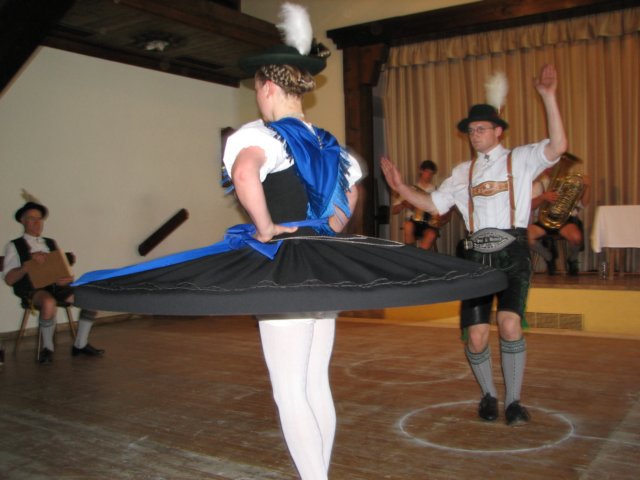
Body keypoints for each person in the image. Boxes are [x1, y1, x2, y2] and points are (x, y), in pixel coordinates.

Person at [70, 4, 505, 478]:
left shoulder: (261, 135)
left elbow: (244, 174)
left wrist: (264, 228)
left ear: (268, 87)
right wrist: (328, 227)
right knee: (315, 382)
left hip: (285, 267)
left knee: (289, 387)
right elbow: (350, 193)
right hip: (322, 259)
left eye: (257, 90)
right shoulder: (327, 142)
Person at [382, 64, 567, 425]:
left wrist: (548, 96)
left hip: (513, 252)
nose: (474, 134)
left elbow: (558, 146)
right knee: (477, 338)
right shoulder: (461, 172)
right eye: (471, 130)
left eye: (481, 128)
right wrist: (401, 187)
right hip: (475, 257)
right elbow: (434, 204)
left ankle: (514, 402)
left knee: (510, 325)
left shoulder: (521, 159)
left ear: (498, 131)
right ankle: (488, 395)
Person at [2, 199, 105, 363]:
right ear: (22, 220)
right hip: (31, 289)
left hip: (56, 287)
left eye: (39, 219)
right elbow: (9, 279)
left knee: (91, 299)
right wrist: (27, 267)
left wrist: (67, 279)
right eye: (32, 218)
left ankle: (80, 344)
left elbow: (62, 270)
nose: (37, 223)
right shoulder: (14, 246)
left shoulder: (50, 243)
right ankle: (47, 348)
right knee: (48, 302)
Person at [528, 156, 590, 276]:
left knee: (576, 238)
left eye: (553, 167)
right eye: (548, 167)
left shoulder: (570, 183)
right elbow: (530, 206)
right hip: (545, 219)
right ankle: (549, 257)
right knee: (525, 236)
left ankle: (572, 260)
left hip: (565, 219)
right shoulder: (539, 183)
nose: (549, 170)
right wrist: (543, 197)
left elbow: (584, 204)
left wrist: (587, 187)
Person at [391, 160, 447, 250]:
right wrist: (404, 203)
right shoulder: (410, 190)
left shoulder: (436, 191)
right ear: (421, 171)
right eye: (427, 172)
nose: (429, 175)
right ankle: (411, 253)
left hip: (429, 223)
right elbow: (394, 211)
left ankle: (419, 255)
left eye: (431, 173)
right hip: (414, 222)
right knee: (408, 226)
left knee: (431, 234)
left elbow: (441, 211)